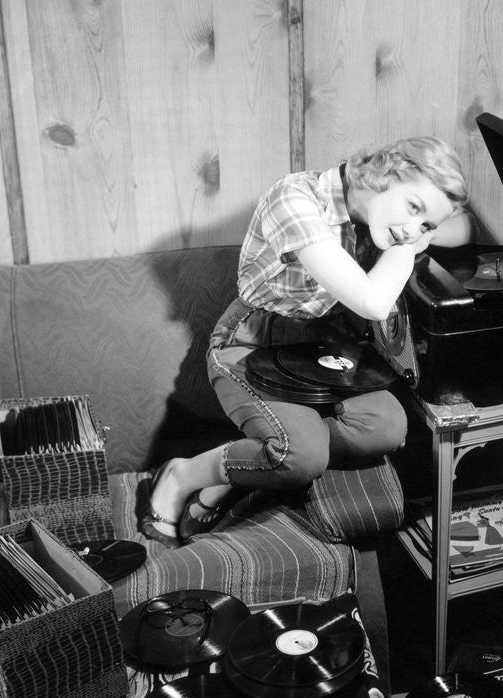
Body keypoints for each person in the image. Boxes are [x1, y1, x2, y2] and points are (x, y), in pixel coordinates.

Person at [139, 135, 474, 547]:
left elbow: (462, 227)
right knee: (302, 456)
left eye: (425, 223)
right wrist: (413, 243)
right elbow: (371, 301)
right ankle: (183, 475)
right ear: (386, 175)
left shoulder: (381, 215)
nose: (411, 229)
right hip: (250, 343)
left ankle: (262, 458)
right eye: (413, 206)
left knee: (385, 429)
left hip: (324, 346)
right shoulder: (295, 198)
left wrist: (424, 225)